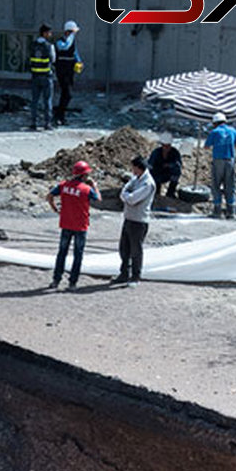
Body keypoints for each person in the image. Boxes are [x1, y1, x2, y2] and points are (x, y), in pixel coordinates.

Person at [47, 160, 102, 290]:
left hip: (66, 223)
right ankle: (72, 282)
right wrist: (95, 186)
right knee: (78, 254)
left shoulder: (63, 186)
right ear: (84, 175)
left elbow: (49, 196)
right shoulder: (86, 189)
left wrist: (55, 209)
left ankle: (56, 280)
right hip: (80, 226)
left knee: (62, 253)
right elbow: (98, 199)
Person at [113, 156, 155, 287]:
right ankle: (124, 273)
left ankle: (135, 277)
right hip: (129, 217)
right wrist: (126, 195)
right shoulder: (135, 179)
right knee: (124, 248)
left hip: (139, 220)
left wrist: (126, 195)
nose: (132, 170)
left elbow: (132, 199)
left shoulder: (148, 183)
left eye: (133, 167)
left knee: (136, 251)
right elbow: (125, 192)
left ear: (138, 167)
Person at [204, 111, 236, 218]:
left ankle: (217, 210)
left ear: (215, 123)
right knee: (230, 185)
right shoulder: (233, 131)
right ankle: (231, 211)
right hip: (230, 160)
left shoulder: (215, 132)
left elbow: (206, 146)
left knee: (216, 184)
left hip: (218, 160)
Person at [53, 20, 82, 126]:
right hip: (62, 71)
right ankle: (59, 115)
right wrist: (70, 37)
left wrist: (78, 61)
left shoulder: (72, 41)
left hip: (70, 71)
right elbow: (64, 47)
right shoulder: (60, 42)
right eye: (73, 32)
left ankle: (61, 115)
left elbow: (74, 52)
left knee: (67, 95)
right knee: (67, 93)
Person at [28, 23, 55, 131]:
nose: (50, 34)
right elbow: (53, 60)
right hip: (46, 76)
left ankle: (33, 123)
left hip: (35, 76)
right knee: (47, 101)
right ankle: (47, 123)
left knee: (34, 101)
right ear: (44, 33)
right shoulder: (49, 46)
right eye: (49, 32)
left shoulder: (33, 45)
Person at [146, 136, 182, 202]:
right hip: (157, 173)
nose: (166, 148)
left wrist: (169, 165)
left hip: (169, 173)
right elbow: (150, 165)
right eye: (165, 146)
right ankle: (156, 192)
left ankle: (170, 193)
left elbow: (178, 165)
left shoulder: (175, 153)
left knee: (177, 172)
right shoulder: (156, 153)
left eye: (168, 146)